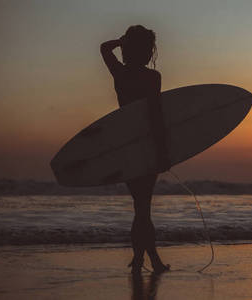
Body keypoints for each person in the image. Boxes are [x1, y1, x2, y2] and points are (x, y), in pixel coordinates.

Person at [101, 25, 170, 273]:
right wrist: (163, 152)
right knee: (143, 207)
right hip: (147, 146)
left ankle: (141, 259)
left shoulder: (119, 73)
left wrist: (120, 42)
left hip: (126, 147)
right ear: (148, 51)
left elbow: (104, 48)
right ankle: (151, 260)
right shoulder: (153, 77)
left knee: (140, 206)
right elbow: (156, 116)